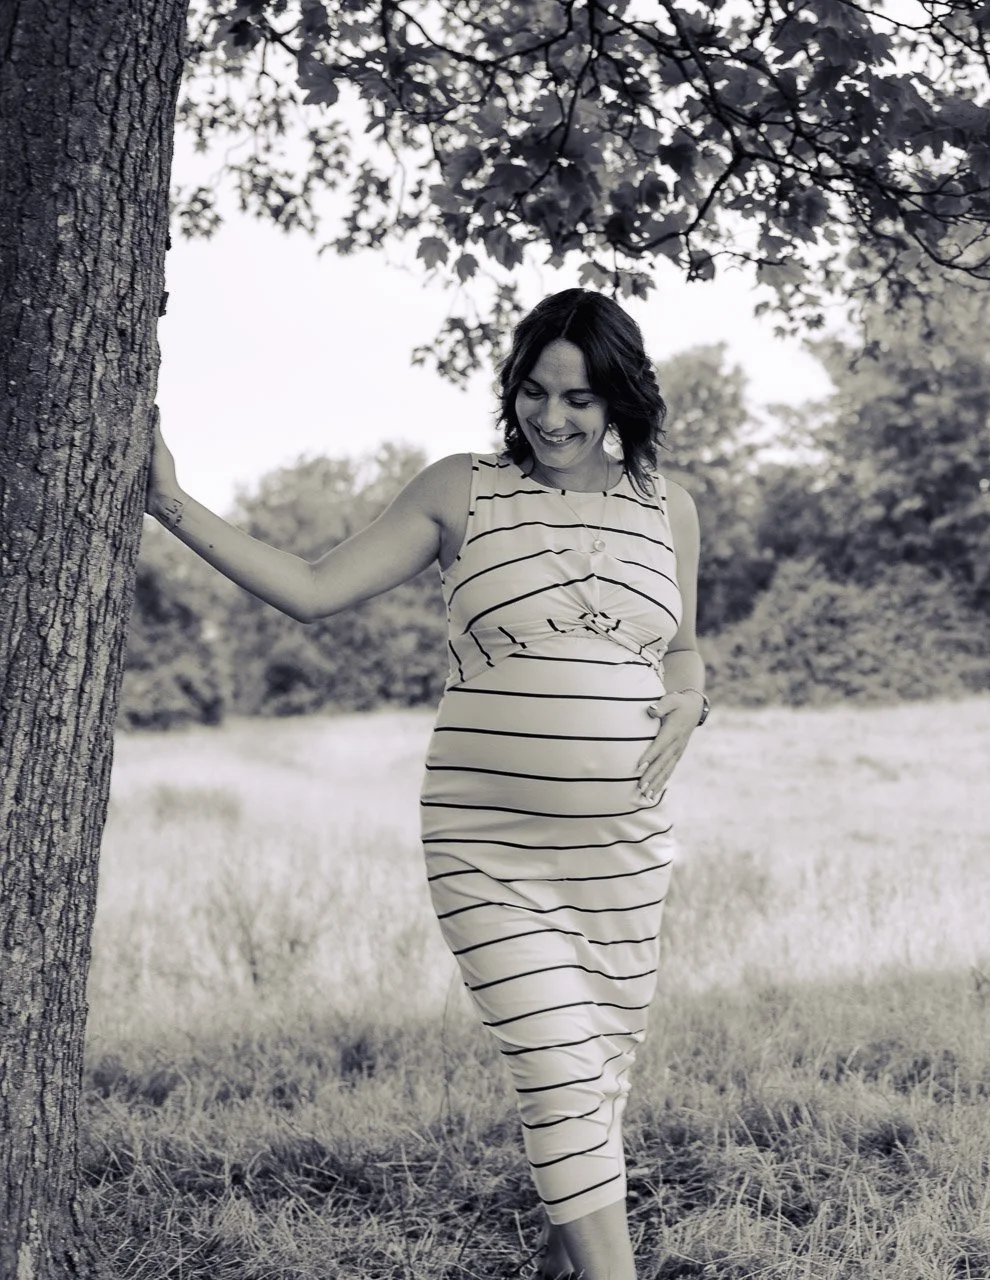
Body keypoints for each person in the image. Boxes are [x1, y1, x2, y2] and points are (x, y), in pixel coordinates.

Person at [145, 288, 705, 1280]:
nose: (553, 417)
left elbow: (685, 650)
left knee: (596, 1070)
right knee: (559, 1068)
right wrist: (171, 504)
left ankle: (563, 1259)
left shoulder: (670, 507)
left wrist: (690, 701)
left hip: (623, 850)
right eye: (534, 391)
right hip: (487, 842)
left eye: (579, 398)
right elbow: (314, 590)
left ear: (620, 397)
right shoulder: (462, 490)